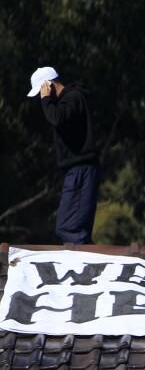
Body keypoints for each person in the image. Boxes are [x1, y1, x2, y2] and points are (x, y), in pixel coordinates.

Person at [28, 66, 100, 244]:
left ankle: (84, 262)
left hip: (80, 169)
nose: (40, 97)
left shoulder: (72, 98)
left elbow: (57, 119)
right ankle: (85, 258)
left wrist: (46, 100)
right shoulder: (70, 99)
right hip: (78, 169)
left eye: (41, 91)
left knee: (67, 227)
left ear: (49, 84)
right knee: (76, 227)